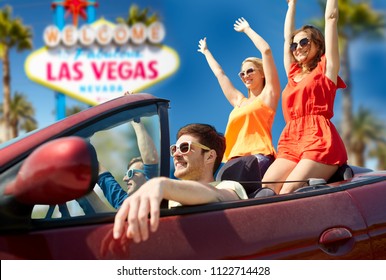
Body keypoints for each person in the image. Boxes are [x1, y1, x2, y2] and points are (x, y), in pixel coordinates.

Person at [262, 0, 348, 194]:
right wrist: (291, 5)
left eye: (304, 42)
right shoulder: (292, 73)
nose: (297, 47)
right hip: (291, 139)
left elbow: (331, 18)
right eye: (295, 45)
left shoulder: (326, 69)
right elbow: (286, 39)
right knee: (266, 188)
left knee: (288, 191)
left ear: (318, 45)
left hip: (318, 138)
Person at [113, 123, 248, 243]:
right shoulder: (167, 196)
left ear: (209, 156)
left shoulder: (227, 186)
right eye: (174, 149)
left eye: (184, 148)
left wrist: (163, 184)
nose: (176, 154)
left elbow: (218, 196)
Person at [197, 17, 281, 176]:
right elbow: (220, 74)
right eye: (242, 73)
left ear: (262, 74)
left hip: (257, 159)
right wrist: (206, 52)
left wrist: (247, 30)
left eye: (250, 71)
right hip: (232, 161)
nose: (245, 76)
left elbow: (266, 51)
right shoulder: (239, 101)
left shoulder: (269, 95)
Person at [98, 118, 159, 209]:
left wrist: (133, 117)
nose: (125, 179)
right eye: (126, 174)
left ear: (147, 176)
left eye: (130, 173)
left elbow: (151, 159)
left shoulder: (155, 195)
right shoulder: (124, 202)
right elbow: (103, 177)